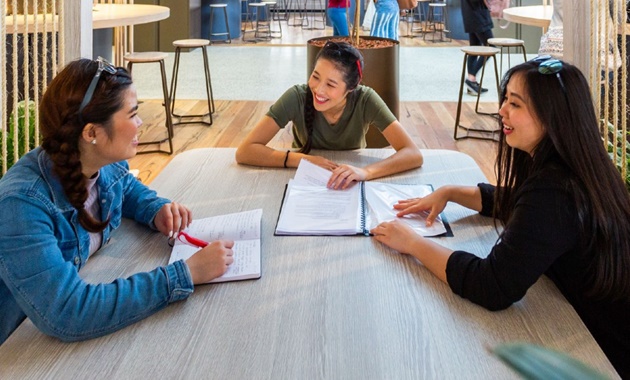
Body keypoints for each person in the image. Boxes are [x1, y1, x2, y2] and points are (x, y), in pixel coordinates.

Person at [371, 58, 630, 378]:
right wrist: (450, 191)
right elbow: (518, 204)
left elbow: (492, 285)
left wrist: (413, 243)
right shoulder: (579, 167)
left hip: (604, 357)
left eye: (515, 104)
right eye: (505, 98)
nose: (502, 110)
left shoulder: (555, 192)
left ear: (552, 117)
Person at [0, 58, 235, 344]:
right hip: (16, 351)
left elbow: (126, 187)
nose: (141, 123)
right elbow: (67, 312)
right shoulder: (21, 205)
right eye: (132, 114)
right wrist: (185, 273)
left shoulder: (97, 160)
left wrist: (156, 209)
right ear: (91, 133)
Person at [235, 41, 422, 189]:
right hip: (300, 176)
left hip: (351, 180)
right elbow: (245, 151)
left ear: (351, 88)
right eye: (316, 77)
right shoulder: (296, 97)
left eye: (331, 85)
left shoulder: (366, 99)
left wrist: (366, 172)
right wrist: (302, 159)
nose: (318, 90)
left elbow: (412, 154)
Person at [461, 0, 494, 95]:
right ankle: (471, 78)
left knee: (474, 48)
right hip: (478, 16)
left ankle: (472, 84)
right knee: (491, 48)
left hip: (471, 14)